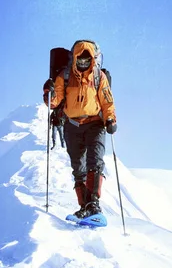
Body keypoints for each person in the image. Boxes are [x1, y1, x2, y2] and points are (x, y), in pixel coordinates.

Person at [43, 40, 117, 218]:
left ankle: (93, 204)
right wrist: (48, 92)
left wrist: (110, 119)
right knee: (78, 168)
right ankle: (84, 206)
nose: (83, 64)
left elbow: (107, 101)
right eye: (80, 60)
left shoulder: (99, 77)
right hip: (72, 126)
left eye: (87, 60)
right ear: (74, 58)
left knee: (95, 162)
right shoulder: (65, 76)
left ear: (93, 59)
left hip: (95, 124)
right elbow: (54, 102)